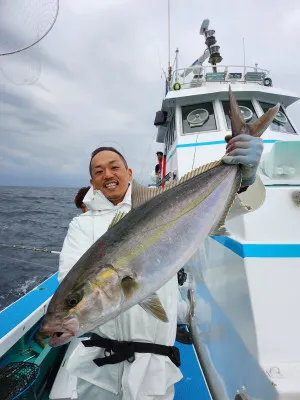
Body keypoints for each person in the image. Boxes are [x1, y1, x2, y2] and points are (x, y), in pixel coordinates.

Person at [58, 136, 264, 399]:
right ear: (92, 182)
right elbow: (69, 278)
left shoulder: (168, 204)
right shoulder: (82, 225)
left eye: (114, 167)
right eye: (98, 171)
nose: (107, 174)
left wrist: (244, 182)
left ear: (129, 173)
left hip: (153, 367)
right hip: (98, 367)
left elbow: (233, 209)